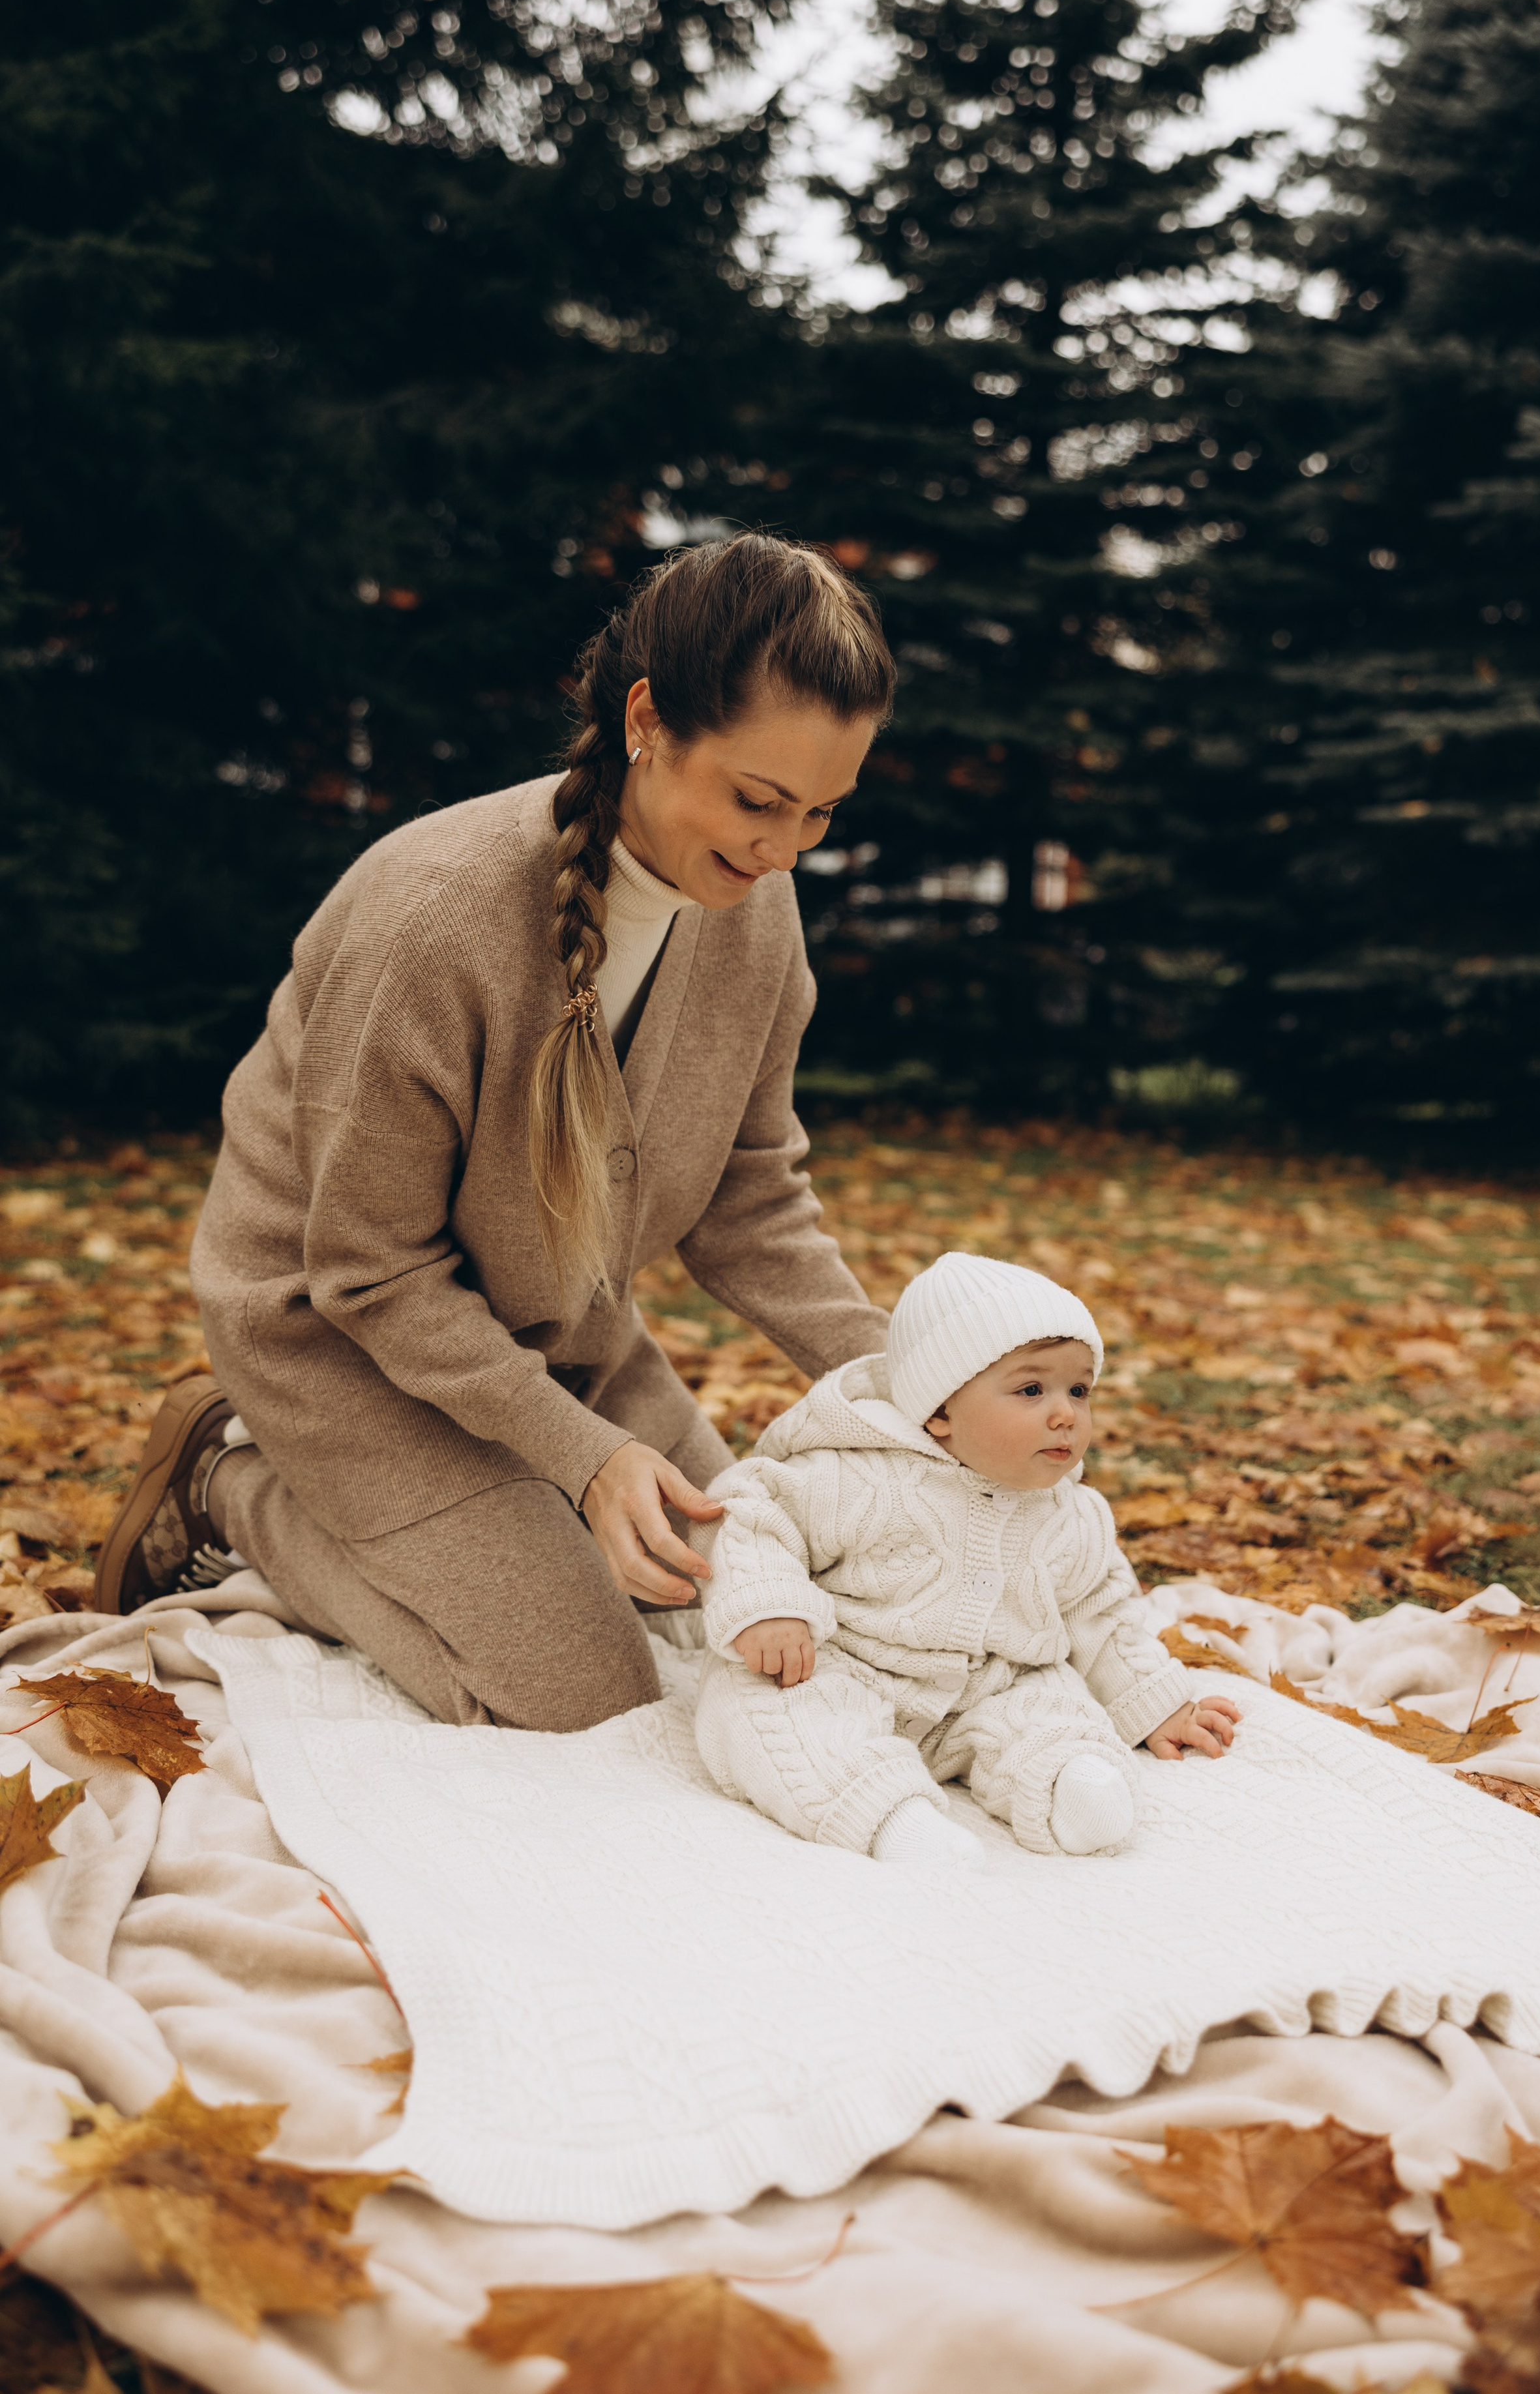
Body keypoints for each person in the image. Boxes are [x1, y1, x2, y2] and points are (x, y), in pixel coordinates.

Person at [95, 534, 897, 1732]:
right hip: (338, 1344)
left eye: (821, 813)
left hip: (563, 1330)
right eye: (757, 800)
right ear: (647, 722)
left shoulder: (756, 909)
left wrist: (915, 1388)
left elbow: (751, 1196)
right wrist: (584, 1458)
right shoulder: (433, 918)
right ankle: (228, 1483)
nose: (784, 851)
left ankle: (506, 1499)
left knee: (765, 1598)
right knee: (577, 1688)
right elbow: (369, 1272)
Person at [693, 1252, 1242, 1867]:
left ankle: (1071, 1783)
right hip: (845, 1668)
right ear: (940, 1411)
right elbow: (749, 1511)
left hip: (990, 1686)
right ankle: (890, 1817)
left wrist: (1154, 1703)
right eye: (1031, 1390)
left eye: (1079, 1390)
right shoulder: (855, 1475)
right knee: (775, 1714)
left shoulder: (1071, 1514)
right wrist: (769, 1606)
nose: (1066, 1413)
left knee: (1052, 1710)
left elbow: (1103, 1614)